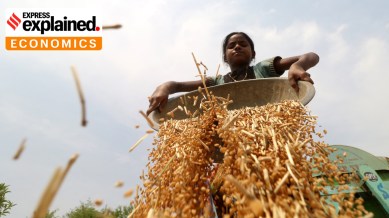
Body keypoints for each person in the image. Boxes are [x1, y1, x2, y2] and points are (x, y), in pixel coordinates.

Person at [146, 32, 319, 115]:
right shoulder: (217, 82)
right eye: (231, 46)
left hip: (269, 131)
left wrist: (298, 66)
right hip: (230, 141)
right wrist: (164, 87)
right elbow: (177, 86)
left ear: (253, 53)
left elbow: (311, 56)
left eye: (243, 44)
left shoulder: (262, 69)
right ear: (225, 57)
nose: (237, 47)